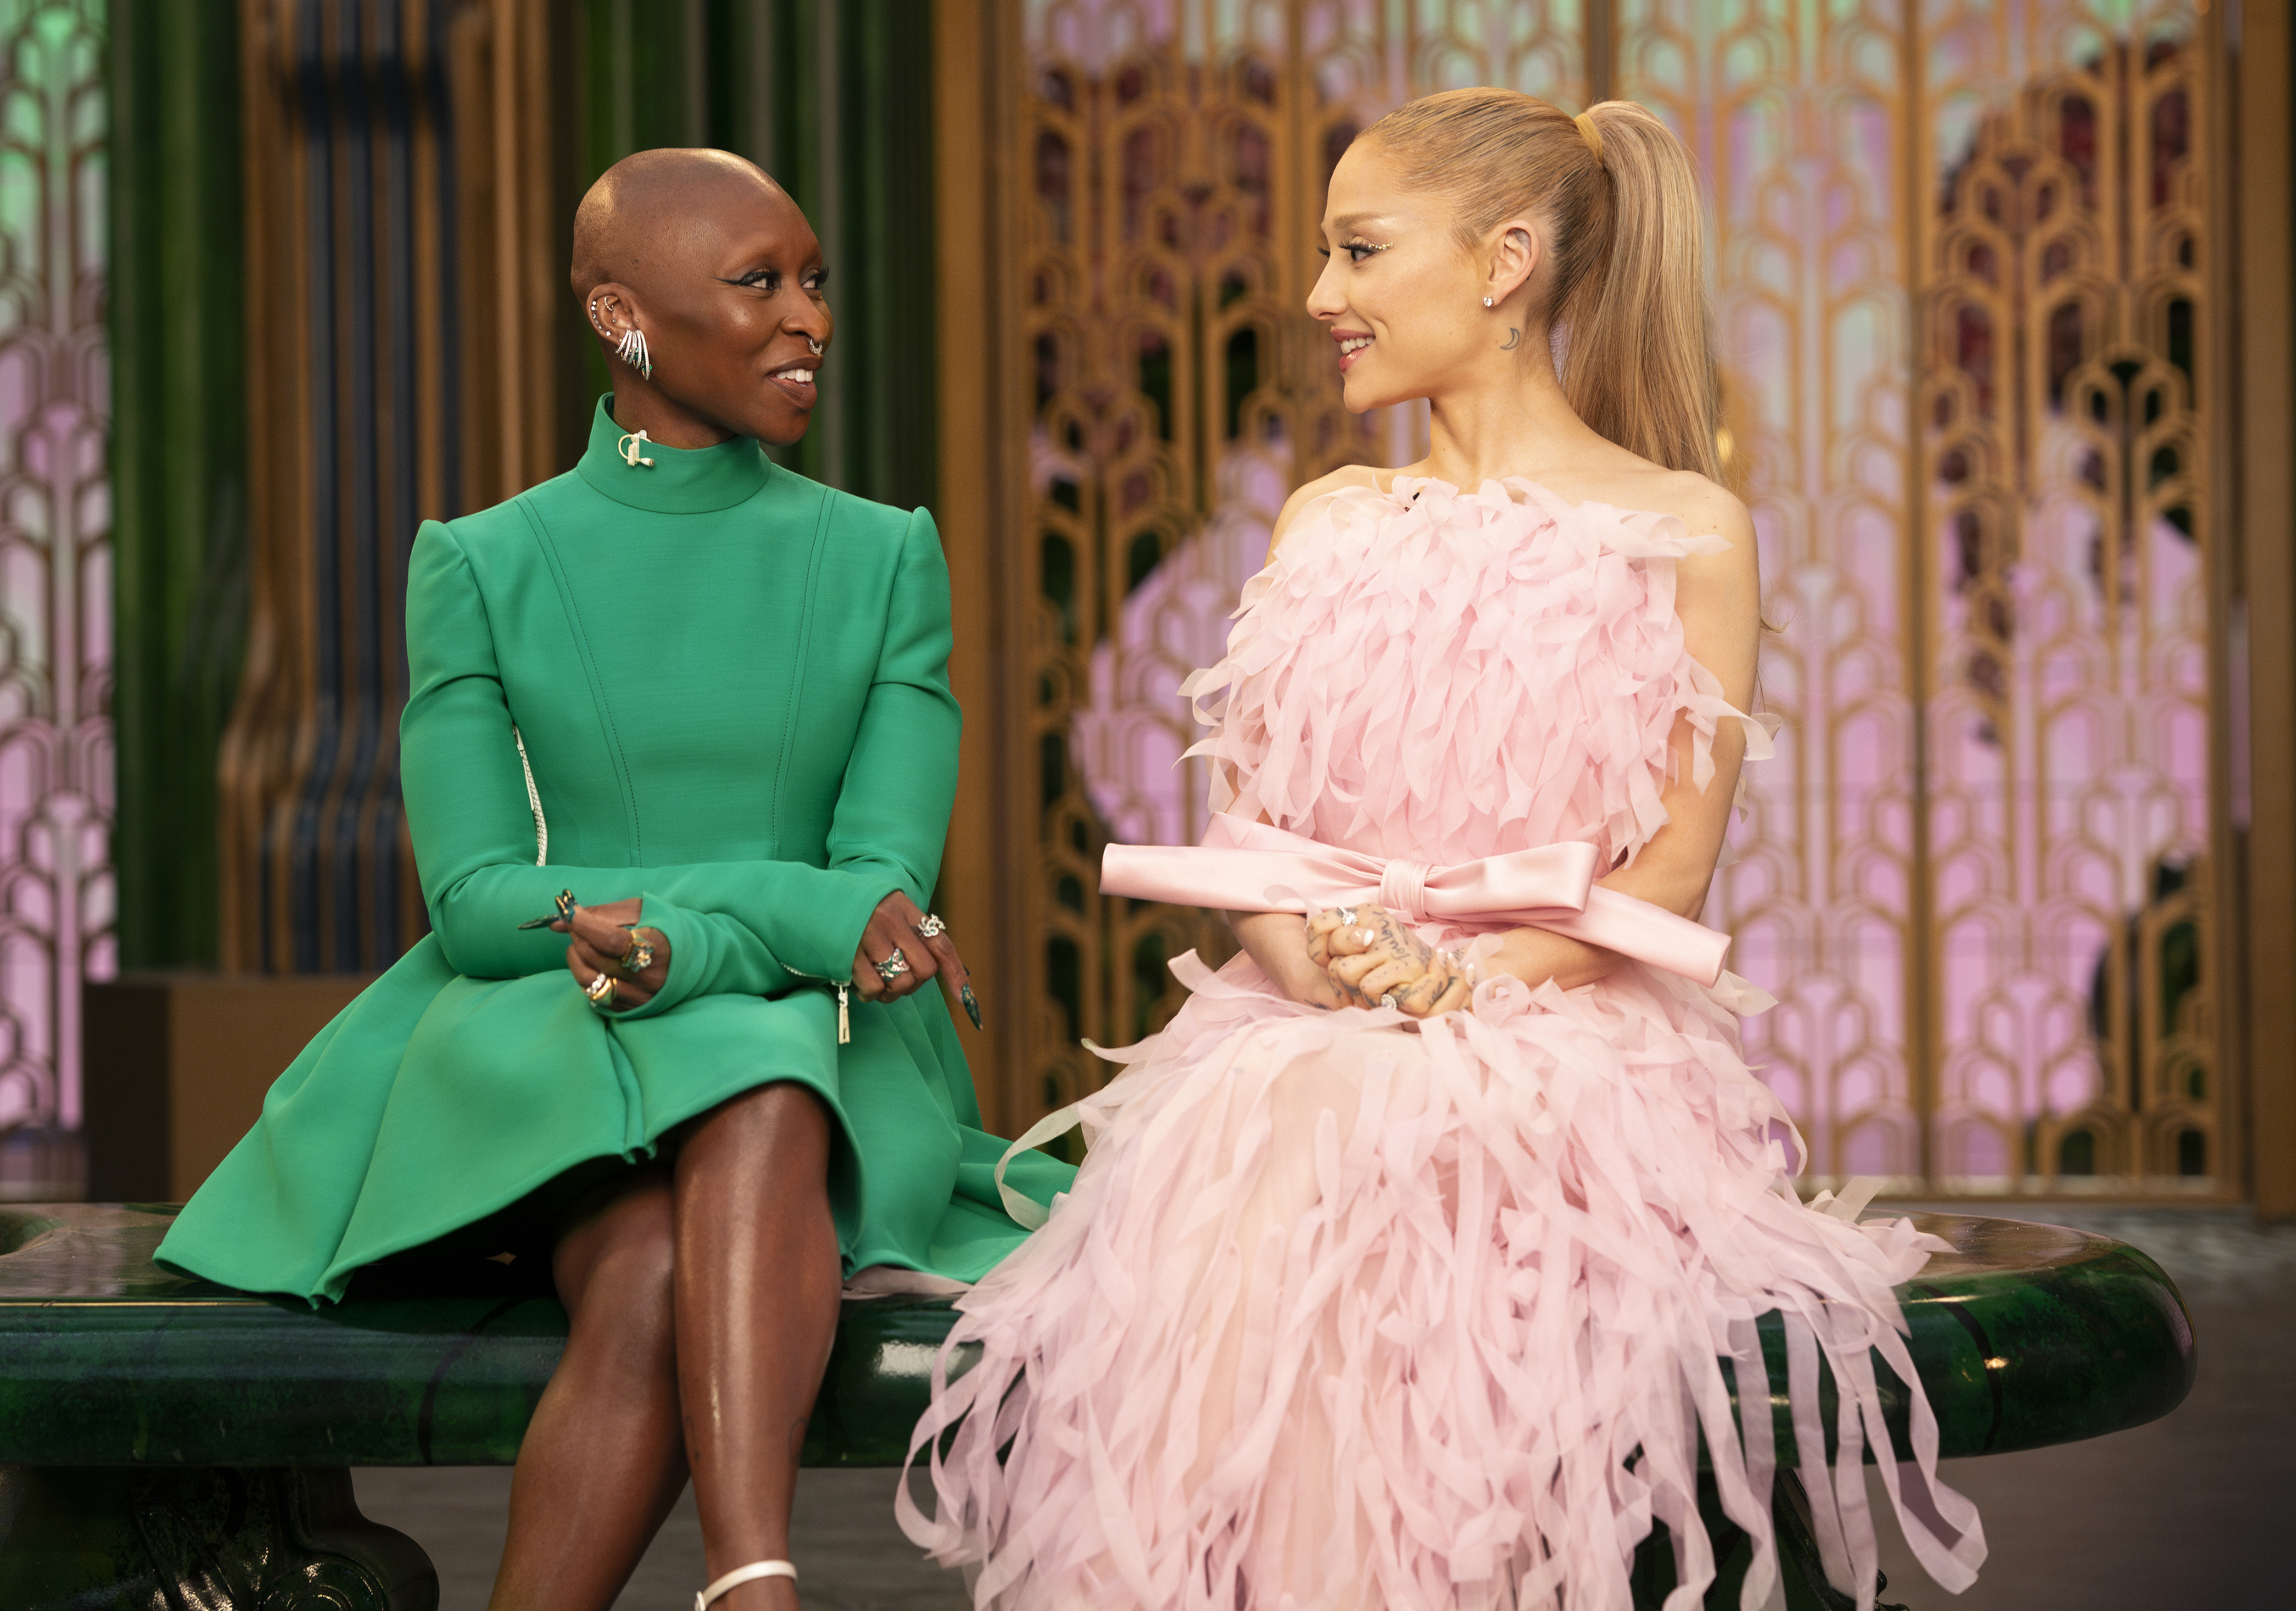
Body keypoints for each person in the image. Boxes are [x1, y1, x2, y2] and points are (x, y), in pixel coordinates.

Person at [900, 91, 1988, 1609]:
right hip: (1304, 1033)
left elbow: (1668, 879)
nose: (1319, 296)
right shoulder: (1326, 519)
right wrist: (1332, 964)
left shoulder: (1687, 527)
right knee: (1302, 1120)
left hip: (1566, 1040)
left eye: (1358, 250)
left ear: (1504, 264)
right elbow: (1261, 838)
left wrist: (1452, 988)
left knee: (1375, 1144)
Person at [157, 148, 1067, 1611]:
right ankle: (754, 1584)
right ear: (621, 318)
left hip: (819, 1053)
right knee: (749, 1077)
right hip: (570, 1044)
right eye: (758, 283)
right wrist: (777, 914)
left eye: (816, 280)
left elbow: (885, 867)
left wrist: (723, 935)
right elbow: (474, 899)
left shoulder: (886, 555)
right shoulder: (483, 559)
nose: (810, 320)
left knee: (695, 1203)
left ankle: (747, 1582)